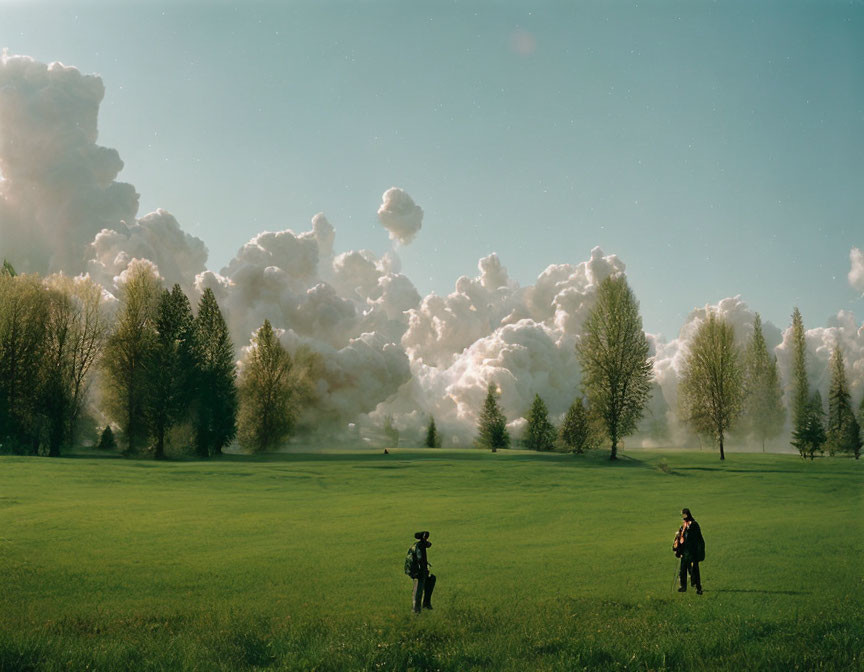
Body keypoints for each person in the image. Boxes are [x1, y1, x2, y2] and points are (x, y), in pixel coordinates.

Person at [673, 508, 705, 594]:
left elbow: (697, 539)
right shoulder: (683, 526)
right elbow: (680, 537)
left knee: (694, 570)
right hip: (685, 552)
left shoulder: (694, 525)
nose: (683, 517)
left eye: (684, 515)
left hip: (693, 552)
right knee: (682, 570)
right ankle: (683, 587)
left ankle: (698, 588)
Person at [406, 530, 436, 613]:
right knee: (419, 589)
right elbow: (420, 558)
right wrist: (423, 570)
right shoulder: (420, 546)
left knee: (431, 579)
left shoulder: (416, 545)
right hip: (418, 571)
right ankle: (417, 609)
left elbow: (429, 545)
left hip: (414, 570)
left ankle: (425, 604)